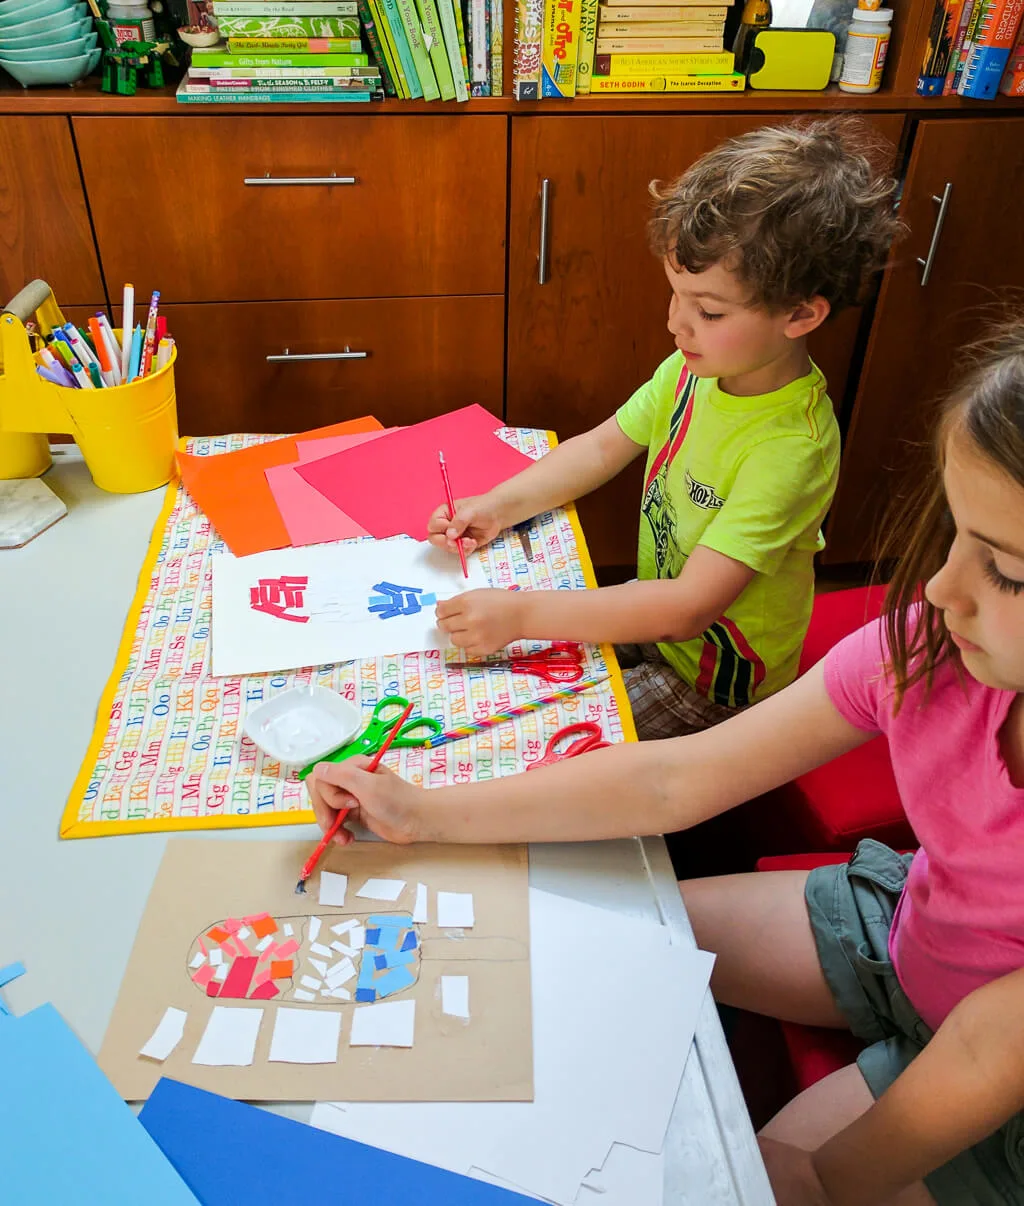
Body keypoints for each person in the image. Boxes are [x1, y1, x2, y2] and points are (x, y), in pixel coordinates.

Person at [310, 322, 1024, 1204]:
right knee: (611, 930)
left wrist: (823, 1179)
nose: (941, 588)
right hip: (915, 936)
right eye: (957, 536)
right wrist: (423, 812)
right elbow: (676, 777)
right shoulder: (926, 649)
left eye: (1007, 574)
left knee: (748, 1179)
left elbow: (990, 1053)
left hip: (997, 1080)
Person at [426, 117, 901, 740]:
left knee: (538, 748)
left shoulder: (791, 448)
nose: (678, 323)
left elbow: (688, 609)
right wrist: (497, 505)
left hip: (710, 681)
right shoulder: (693, 368)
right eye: (676, 294)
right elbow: (602, 447)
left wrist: (521, 615)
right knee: (472, 688)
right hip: (653, 624)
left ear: (801, 313)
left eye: (708, 310)